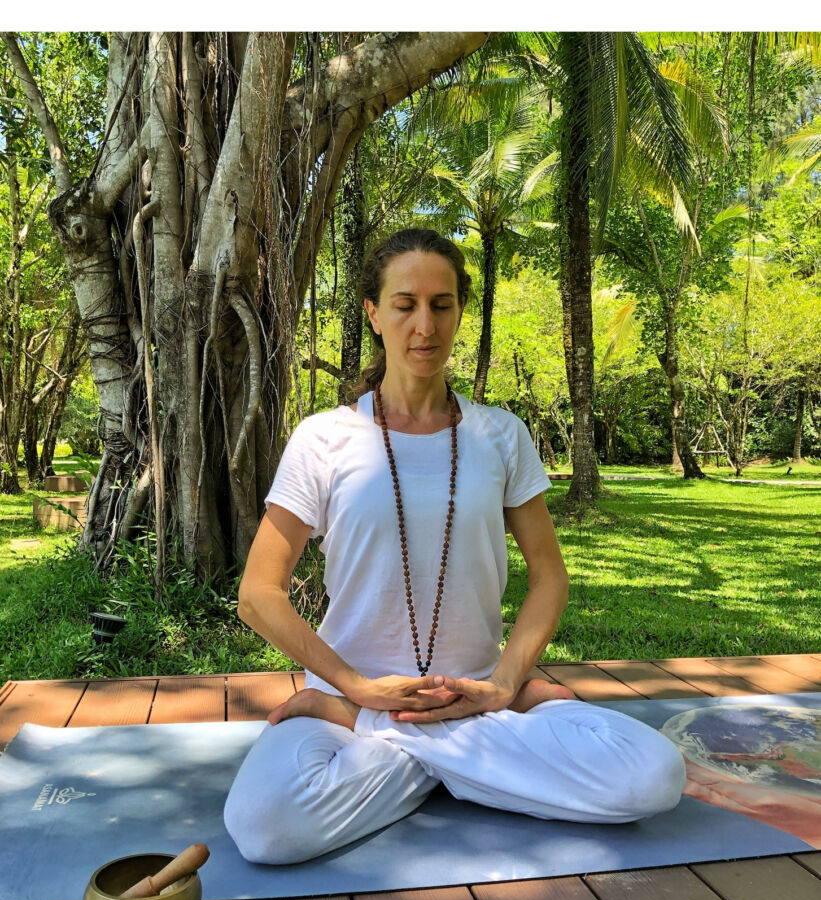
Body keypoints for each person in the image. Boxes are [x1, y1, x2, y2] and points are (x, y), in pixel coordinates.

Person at [223, 227, 686, 864]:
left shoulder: (501, 435)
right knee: (264, 825)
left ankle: (425, 751)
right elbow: (258, 595)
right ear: (373, 313)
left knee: (655, 774)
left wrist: (503, 683)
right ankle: (458, 761)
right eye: (405, 303)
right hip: (351, 702)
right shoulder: (323, 438)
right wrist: (358, 692)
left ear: (460, 312)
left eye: (442, 305)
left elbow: (549, 578)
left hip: (475, 697)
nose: (424, 324)